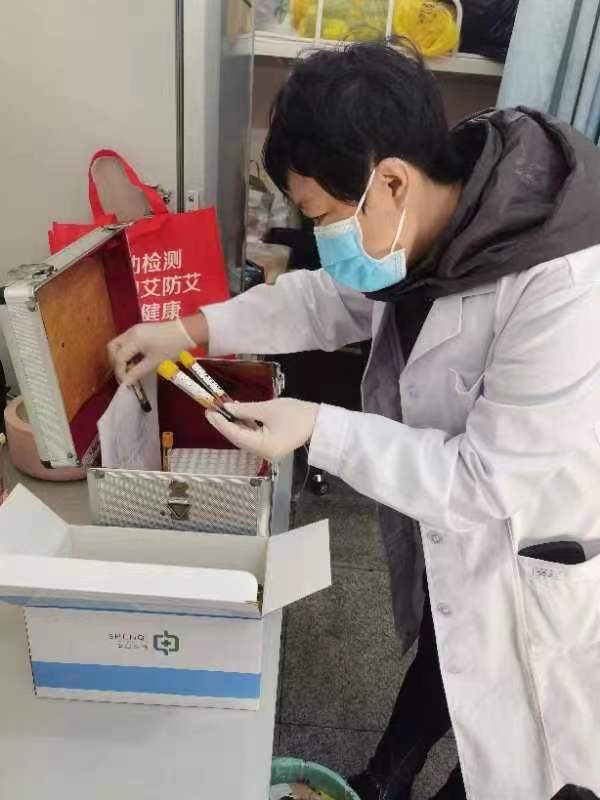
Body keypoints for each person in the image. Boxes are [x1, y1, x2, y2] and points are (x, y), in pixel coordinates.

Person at [108, 42, 600, 800]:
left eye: (322, 217)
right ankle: (383, 780)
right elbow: (326, 301)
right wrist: (189, 328)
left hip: (536, 537)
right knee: (450, 641)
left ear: (392, 180)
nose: (320, 239)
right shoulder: (436, 218)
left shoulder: (562, 282)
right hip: (467, 538)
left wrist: (318, 426)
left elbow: (484, 482)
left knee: (515, 741)